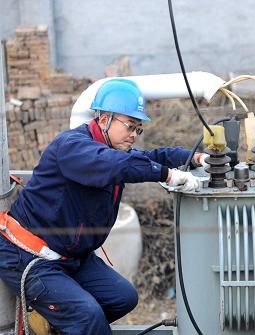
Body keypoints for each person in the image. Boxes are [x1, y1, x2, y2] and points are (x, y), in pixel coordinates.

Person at [0, 78, 204, 334]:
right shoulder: (73, 147)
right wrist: (168, 175)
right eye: (130, 126)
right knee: (88, 316)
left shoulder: (111, 147)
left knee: (123, 297)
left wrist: (195, 158)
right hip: (29, 254)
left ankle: (59, 326)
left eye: (138, 129)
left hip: (70, 257)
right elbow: (117, 165)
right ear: (104, 119)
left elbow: (150, 157)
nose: (134, 134)